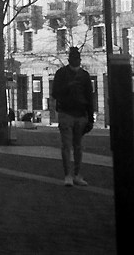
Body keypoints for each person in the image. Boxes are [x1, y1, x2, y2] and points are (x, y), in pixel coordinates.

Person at [51, 46, 94, 187]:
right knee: (71, 146)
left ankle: (72, 175)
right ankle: (72, 175)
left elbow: (89, 97)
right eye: (75, 59)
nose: (76, 61)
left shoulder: (77, 75)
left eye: (77, 59)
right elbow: (56, 93)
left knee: (73, 146)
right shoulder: (73, 74)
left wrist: (90, 117)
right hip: (71, 113)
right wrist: (69, 86)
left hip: (75, 113)